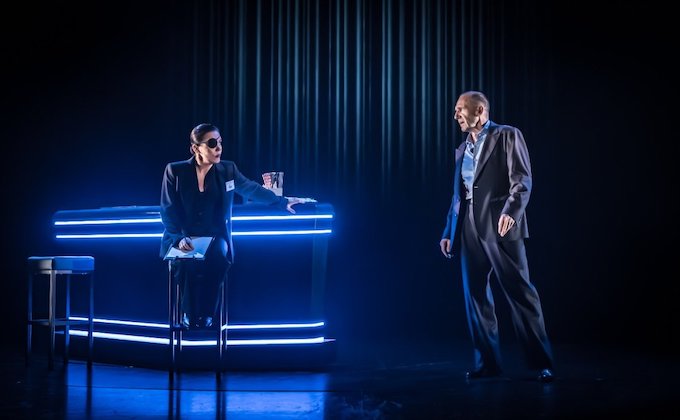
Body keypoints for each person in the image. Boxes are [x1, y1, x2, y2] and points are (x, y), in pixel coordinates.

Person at [439, 91, 555, 382]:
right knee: (475, 295)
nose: (456, 115)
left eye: (460, 109)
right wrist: (449, 231)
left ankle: (542, 362)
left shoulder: (507, 135)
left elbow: (522, 180)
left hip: (500, 224)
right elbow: (458, 196)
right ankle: (487, 363)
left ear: (479, 110)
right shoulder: (462, 148)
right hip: (468, 227)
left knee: (520, 292)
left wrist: (511, 212)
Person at [160, 123, 303, 330]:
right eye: (212, 143)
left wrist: (281, 201)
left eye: (219, 142)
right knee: (185, 264)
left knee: (219, 257)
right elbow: (168, 210)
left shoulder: (228, 170)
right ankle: (189, 314)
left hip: (215, 235)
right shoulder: (175, 170)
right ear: (195, 148)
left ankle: (207, 313)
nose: (218, 147)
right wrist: (179, 238)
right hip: (183, 236)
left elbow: (250, 188)